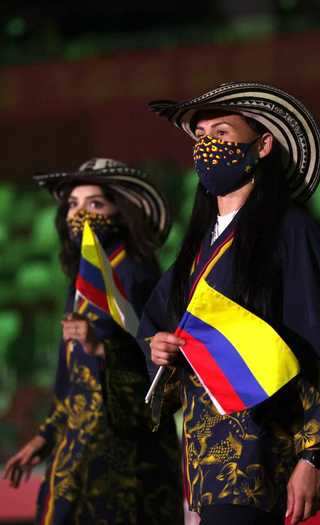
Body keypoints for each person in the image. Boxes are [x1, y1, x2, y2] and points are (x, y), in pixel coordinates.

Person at [142, 82, 320, 525]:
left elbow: (317, 340)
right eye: (202, 135)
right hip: (203, 456)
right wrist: (159, 347)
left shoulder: (292, 232)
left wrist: (313, 458)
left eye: (223, 133)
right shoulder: (195, 250)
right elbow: (157, 327)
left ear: (263, 145)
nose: (209, 145)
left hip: (264, 447)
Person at [2, 158, 182, 524]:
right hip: (77, 453)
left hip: (129, 464)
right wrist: (44, 438)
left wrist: (104, 348)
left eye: (95, 204)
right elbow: (71, 382)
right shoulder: (82, 281)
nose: (79, 212)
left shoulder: (137, 273)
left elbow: (166, 381)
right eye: (73, 204)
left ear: (122, 212)